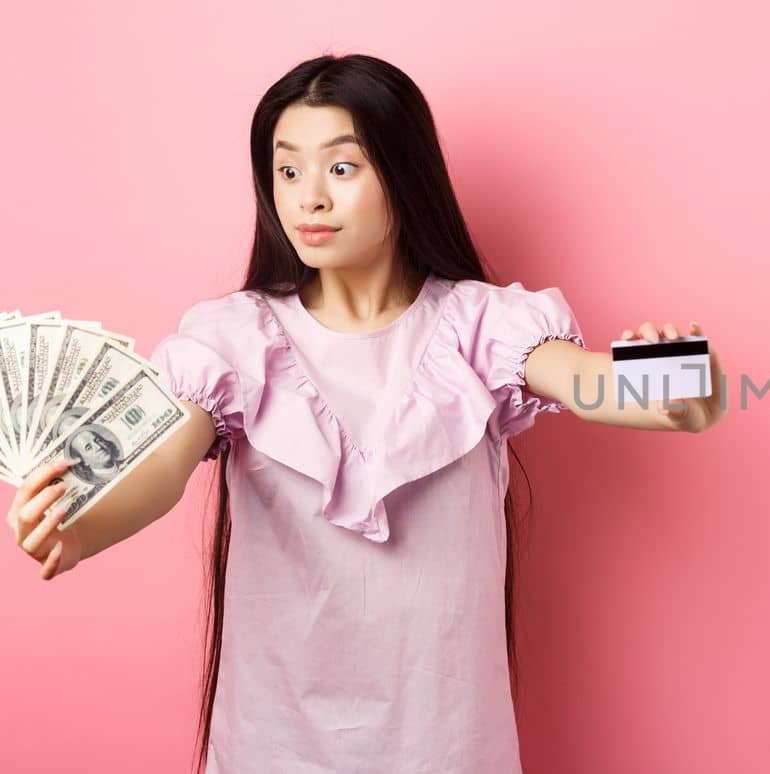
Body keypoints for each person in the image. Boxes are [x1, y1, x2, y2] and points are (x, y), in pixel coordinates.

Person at [6, 54, 727, 773]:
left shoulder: (480, 324)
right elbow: (161, 462)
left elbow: (602, 384)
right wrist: (83, 527)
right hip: (273, 740)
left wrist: (682, 382)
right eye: (288, 171)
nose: (308, 199)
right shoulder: (235, 337)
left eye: (341, 169)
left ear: (403, 176)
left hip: (446, 740)